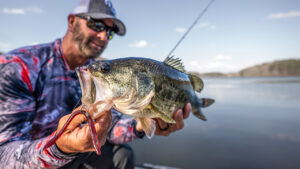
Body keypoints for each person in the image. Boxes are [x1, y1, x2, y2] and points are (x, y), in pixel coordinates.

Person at [0, 0, 191, 168]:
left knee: (122, 155)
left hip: (75, 156)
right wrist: (60, 148)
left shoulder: (99, 75)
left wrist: (142, 125)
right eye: (96, 25)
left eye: (110, 33)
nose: (103, 37)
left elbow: (110, 131)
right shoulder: (19, 66)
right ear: (72, 21)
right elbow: (4, 154)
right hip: (33, 162)